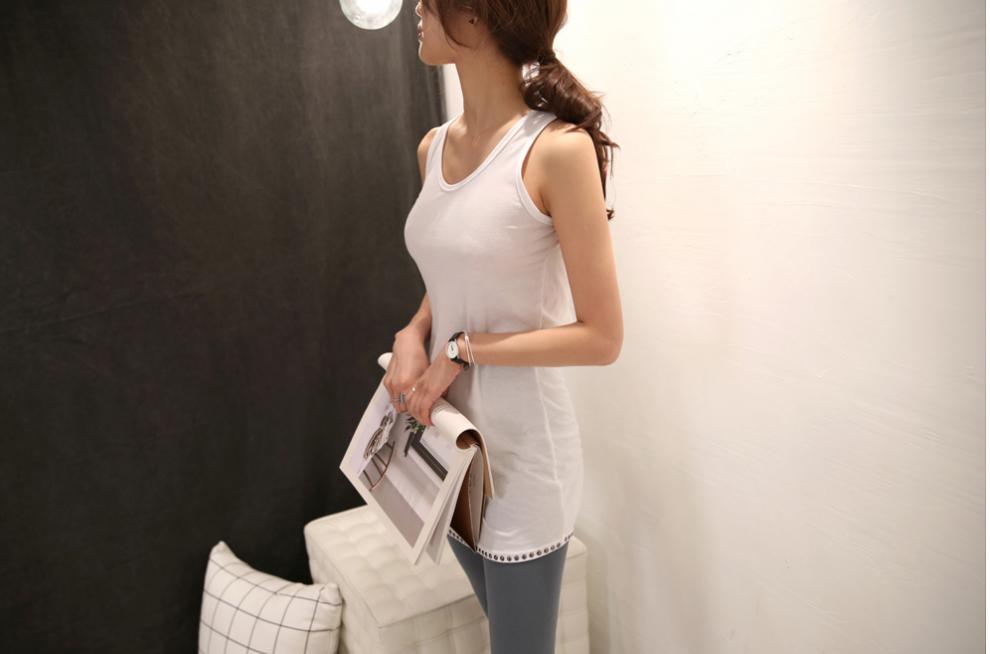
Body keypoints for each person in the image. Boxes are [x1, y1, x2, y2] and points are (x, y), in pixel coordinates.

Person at [385, 1, 622, 652]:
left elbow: (603, 337)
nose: (417, 9)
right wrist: (413, 333)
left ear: (477, 17)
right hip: (452, 449)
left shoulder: (557, 151)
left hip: (524, 460)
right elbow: (455, 277)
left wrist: (462, 350)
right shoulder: (433, 147)